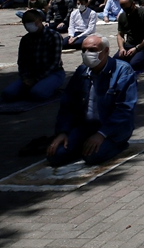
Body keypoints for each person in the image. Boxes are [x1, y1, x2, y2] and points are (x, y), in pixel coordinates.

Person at [47, 35, 138, 166]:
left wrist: (102, 134)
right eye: (84, 50)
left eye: (92, 50)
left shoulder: (123, 71)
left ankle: (119, 145)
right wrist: (62, 132)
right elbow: (67, 104)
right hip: (85, 127)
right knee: (55, 155)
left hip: (112, 130)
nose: (87, 54)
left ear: (106, 51)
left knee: (92, 156)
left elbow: (125, 108)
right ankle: (81, 144)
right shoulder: (82, 71)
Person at [3, 9, 66, 101]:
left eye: (31, 22)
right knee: (8, 94)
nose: (28, 25)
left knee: (37, 94)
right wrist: (25, 78)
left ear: (40, 20)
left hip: (52, 73)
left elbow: (54, 63)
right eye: (25, 23)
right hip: (30, 75)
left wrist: (36, 80)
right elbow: (21, 62)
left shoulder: (53, 36)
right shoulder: (25, 39)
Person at [116, 0, 144, 73]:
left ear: (133, 4)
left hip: (143, 45)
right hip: (129, 45)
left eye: (127, 8)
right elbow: (120, 34)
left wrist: (137, 48)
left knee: (133, 65)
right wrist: (121, 48)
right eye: (123, 8)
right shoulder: (122, 16)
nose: (125, 10)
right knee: (115, 62)